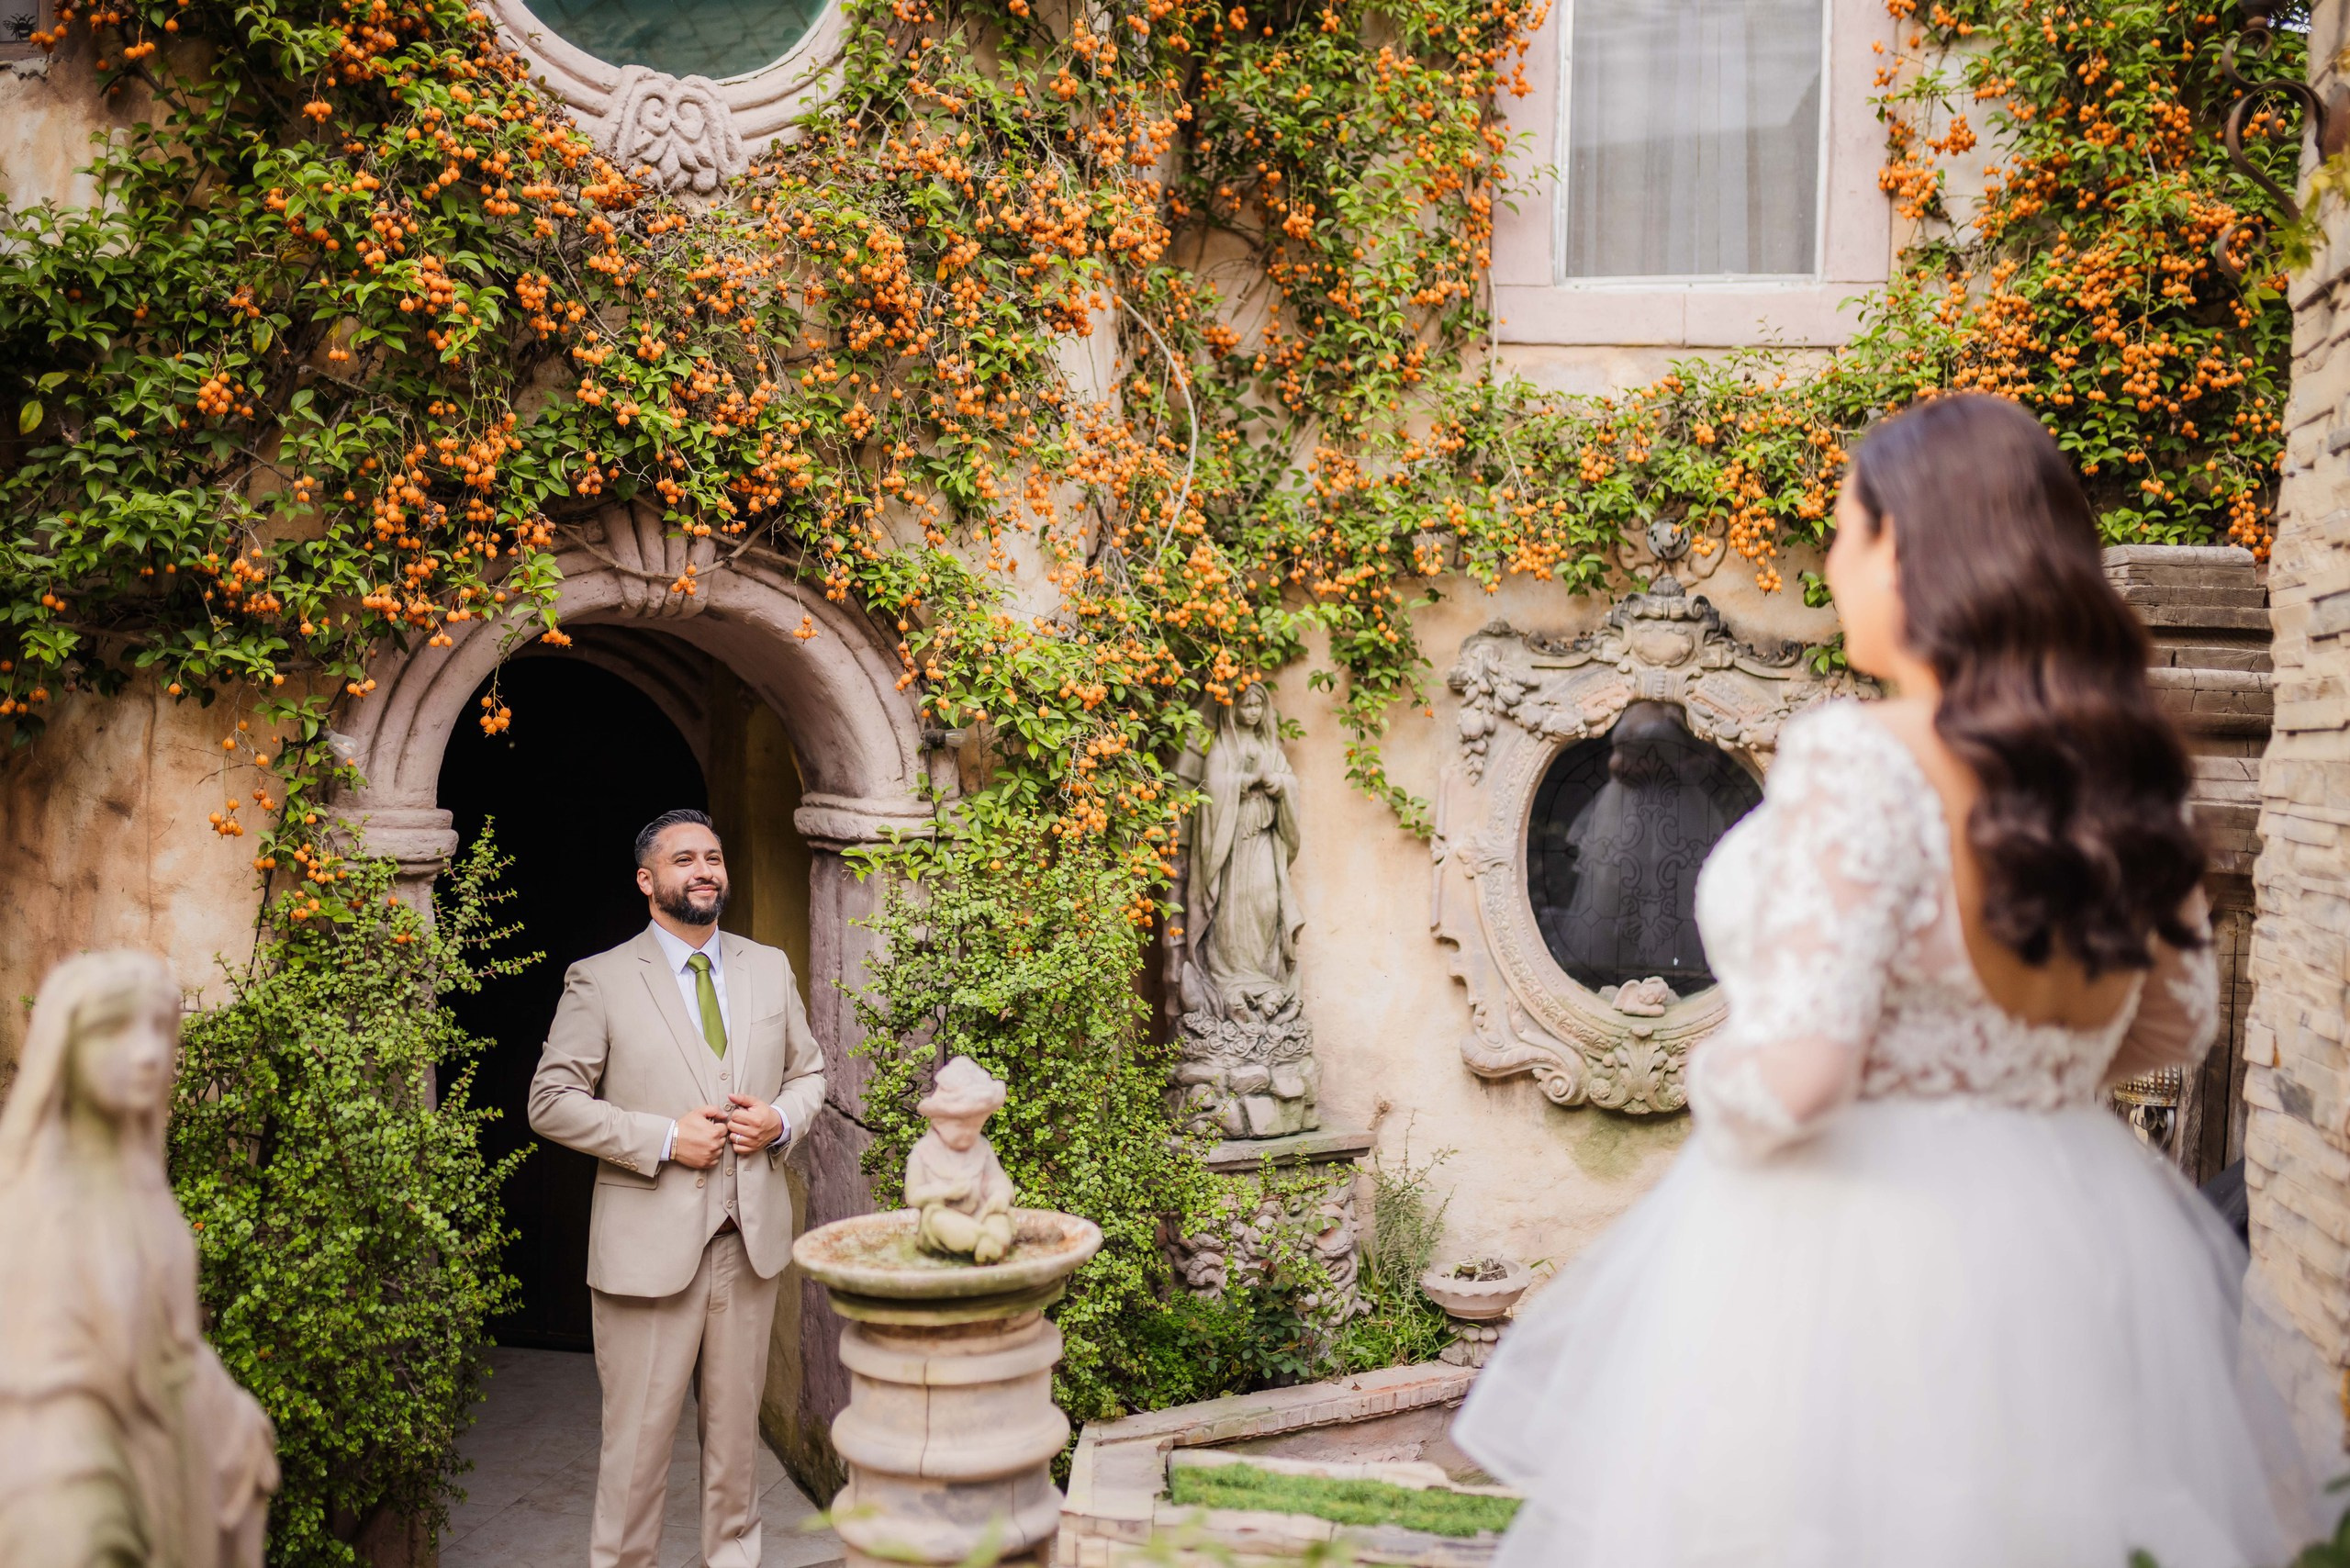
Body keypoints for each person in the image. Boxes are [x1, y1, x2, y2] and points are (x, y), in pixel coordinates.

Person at [1453, 395, 2325, 1568]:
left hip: (1852, 1262)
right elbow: (2167, 1026)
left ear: (1916, 549)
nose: (1834, 560)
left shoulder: (1864, 757)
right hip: (2076, 1249)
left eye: (1849, 530)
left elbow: (1807, 1075)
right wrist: (2016, 1070)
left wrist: (1719, 1075)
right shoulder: (2122, 779)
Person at [529, 809, 826, 1568]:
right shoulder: (598, 979)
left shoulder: (767, 967)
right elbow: (551, 1101)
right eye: (685, 858)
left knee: (736, 1447)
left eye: (715, 858)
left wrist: (780, 1124)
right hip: (647, 1250)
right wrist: (663, 1140)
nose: (705, 870)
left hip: (748, 1244)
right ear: (647, 880)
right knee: (637, 1449)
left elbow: (809, 1074)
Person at [0, 950, 278, 1568]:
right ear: (62, 1048)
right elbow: (40, 1392)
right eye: (115, 1029)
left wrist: (228, 1415)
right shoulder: (34, 1204)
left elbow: (170, 1345)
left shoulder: (143, 1185)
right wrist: (86, 1517)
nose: (150, 1052)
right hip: (89, 1495)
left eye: (160, 1028)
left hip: (174, 1465)